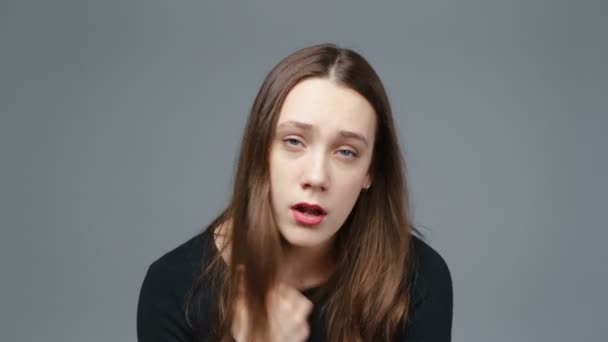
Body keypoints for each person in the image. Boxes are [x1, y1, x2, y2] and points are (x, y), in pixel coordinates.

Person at [137, 43, 453, 341]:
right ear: (262, 152)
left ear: (370, 170)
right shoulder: (174, 287)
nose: (316, 177)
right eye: (294, 142)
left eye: (346, 152)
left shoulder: (418, 280)